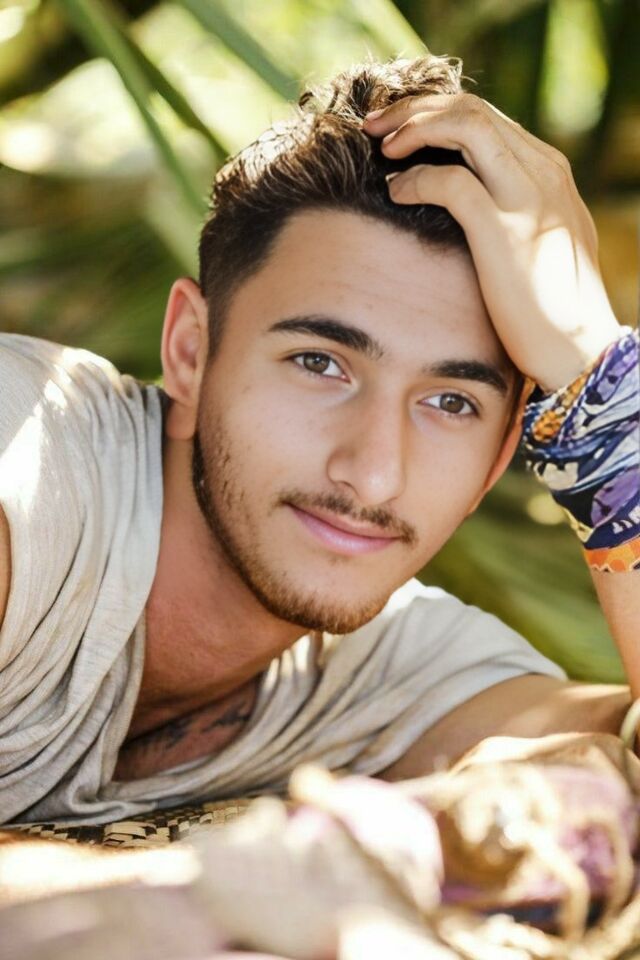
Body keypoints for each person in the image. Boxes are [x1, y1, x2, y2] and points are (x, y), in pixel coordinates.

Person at [0, 55, 637, 826]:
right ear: (191, 353)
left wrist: (598, 379)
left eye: (450, 402)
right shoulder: (29, 479)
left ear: (497, 460)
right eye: (319, 363)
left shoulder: (402, 679)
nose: (373, 474)